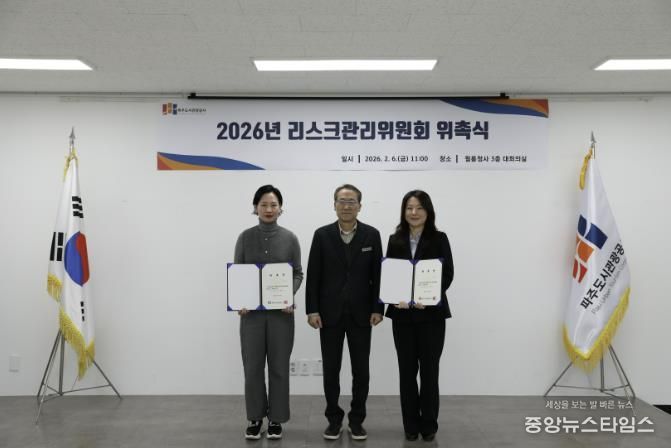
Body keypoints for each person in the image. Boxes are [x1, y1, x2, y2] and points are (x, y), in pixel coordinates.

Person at [305, 184, 383, 441]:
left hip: (363, 314)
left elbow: (378, 275)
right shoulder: (322, 235)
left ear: (360, 206)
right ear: (334, 204)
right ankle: (334, 419)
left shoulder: (372, 235)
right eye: (342, 201)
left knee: (361, 371)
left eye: (351, 201)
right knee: (331, 370)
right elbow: (313, 276)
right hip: (329, 314)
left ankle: (357, 420)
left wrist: (378, 308)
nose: (346, 206)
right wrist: (312, 310)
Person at [234, 185, 303, 440]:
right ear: (256, 208)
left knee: (279, 368)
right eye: (263, 204)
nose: (269, 209)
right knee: (252, 368)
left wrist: (288, 295)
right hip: (251, 316)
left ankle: (276, 419)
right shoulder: (244, 237)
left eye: (274, 205)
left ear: (281, 208)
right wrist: (240, 301)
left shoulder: (290, 238)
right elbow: (238, 274)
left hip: (281, 315)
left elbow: (298, 273)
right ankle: (255, 418)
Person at [384, 190, 454, 442]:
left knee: (429, 372)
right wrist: (395, 297)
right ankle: (410, 425)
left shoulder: (439, 238)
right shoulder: (395, 240)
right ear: (404, 211)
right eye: (409, 208)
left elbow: (447, 274)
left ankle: (429, 424)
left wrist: (430, 296)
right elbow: (390, 274)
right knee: (406, 373)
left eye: (419, 208)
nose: (414, 213)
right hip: (403, 317)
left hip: (431, 317)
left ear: (428, 211)